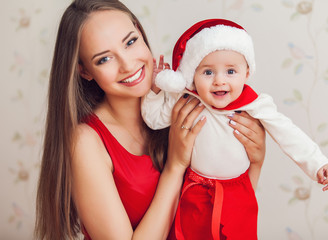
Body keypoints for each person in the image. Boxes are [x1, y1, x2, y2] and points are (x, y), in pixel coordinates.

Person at [34, 1, 267, 239]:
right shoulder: (84, 141)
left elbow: (226, 211)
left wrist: (256, 162)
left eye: (130, 42)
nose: (128, 64)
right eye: (104, 59)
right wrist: (175, 166)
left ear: (140, 32)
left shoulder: (180, 105)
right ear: (84, 71)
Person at [141, 19, 328, 240]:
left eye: (231, 71)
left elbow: (287, 132)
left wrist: (317, 163)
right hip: (195, 189)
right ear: (192, 76)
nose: (219, 81)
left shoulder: (254, 104)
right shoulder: (188, 100)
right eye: (207, 72)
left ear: (247, 73)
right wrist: (155, 91)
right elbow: (154, 120)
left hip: (238, 191)